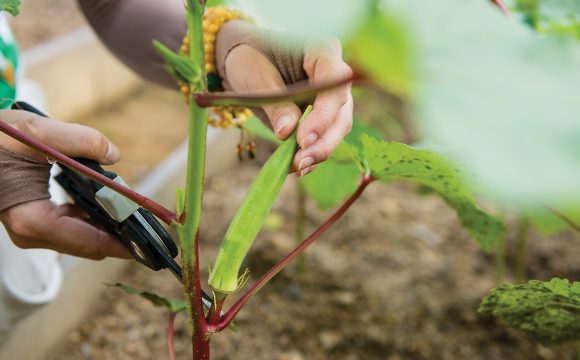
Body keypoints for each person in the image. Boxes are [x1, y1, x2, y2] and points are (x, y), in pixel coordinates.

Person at [0, 0, 352, 341]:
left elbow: (112, 4)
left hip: (14, 105)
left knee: (22, 289)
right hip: (12, 135)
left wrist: (224, 46)